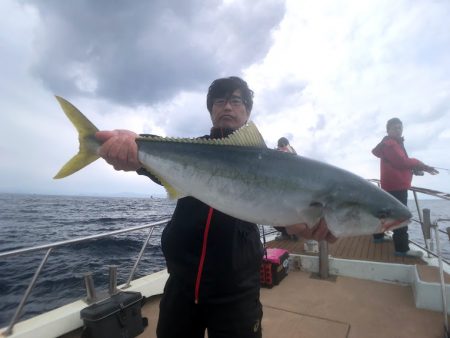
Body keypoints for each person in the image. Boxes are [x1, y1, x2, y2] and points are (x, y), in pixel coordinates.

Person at [95, 76, 337, 338]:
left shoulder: (271, 163)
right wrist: (135, 145)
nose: (228, 107)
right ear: (211, 110)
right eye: (220, 101)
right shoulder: (190, 149)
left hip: (237, 290)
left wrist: (305, 227)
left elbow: (282, 211)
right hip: (181, 284)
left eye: (236, 100)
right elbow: (156, 161)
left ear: (247, 110)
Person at [372, 117, 438, 258]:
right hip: (397, 186)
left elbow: (397, 164)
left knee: (384, 213)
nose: (398, 130)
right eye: (395, 128)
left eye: (400, 128)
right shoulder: (391, 144)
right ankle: (402, 249)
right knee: (401, 216)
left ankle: (378, 237)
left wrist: (413, 169)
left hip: (389, 185)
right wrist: (422, 165)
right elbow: (402, 162)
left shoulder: (389, 144)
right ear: (388, 130)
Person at [274, 137, 298, 240]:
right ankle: (288, 234)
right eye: (281, 145)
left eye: (284, 144)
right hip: (279, 191)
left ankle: (293, 234)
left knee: (290, 215)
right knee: (277, 217)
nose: (283, 147)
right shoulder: (276, 154)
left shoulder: (292, 153)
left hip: (291, 191)